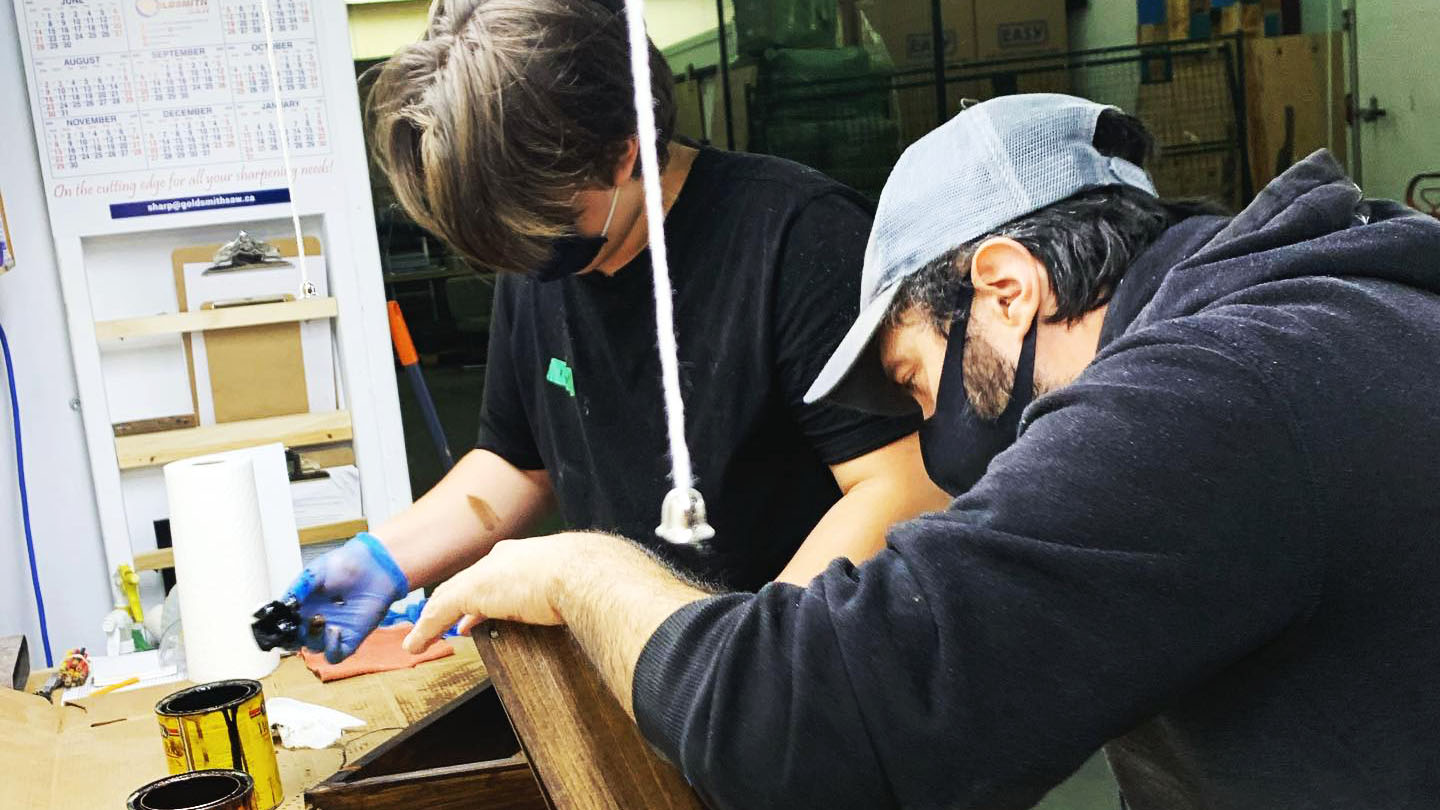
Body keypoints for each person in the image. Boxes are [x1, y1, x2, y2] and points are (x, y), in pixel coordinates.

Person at [404, 93, 1440, 809]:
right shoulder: (1315, 322)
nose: (933, 435)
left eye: (911, 376)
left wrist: (578, 564)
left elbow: (794, 735)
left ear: (1007, 287)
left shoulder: (1209, 400)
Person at [284, 0, 946, 663]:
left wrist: (747, 664)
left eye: (539, 230)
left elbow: (905, 486)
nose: (524, 260)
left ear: (623, 151)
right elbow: (518, 464)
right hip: (650, 665)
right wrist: (380, 558)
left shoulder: (798, 240)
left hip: (817, 673)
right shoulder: (538, 252)